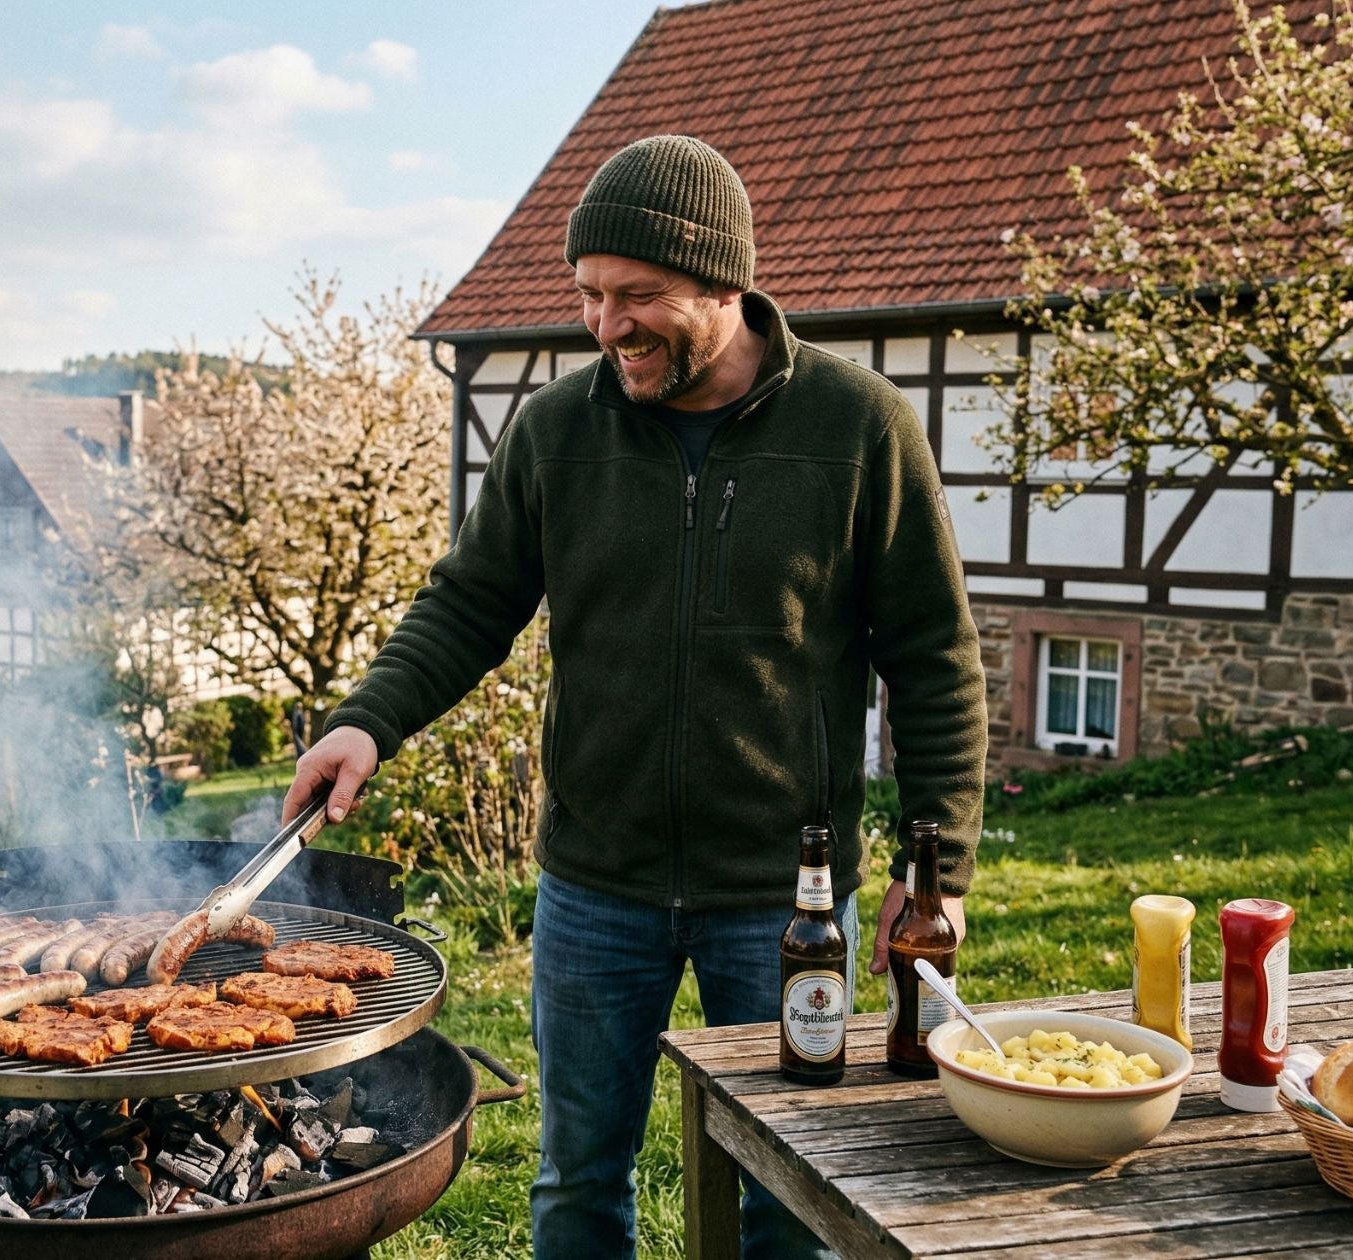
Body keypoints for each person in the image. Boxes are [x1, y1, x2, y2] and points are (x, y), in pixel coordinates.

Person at [282, 135, 987, 1259]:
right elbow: (470, 602)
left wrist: (933, 873)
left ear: (722, 282)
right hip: (593, 892)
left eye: (636, 297)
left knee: (791, 1191)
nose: (605, 327)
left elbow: (935, 661)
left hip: (784, 900)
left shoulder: (859, 430)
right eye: (588, 296)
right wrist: (366, 722)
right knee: (574, 1181)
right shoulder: (557, 432)